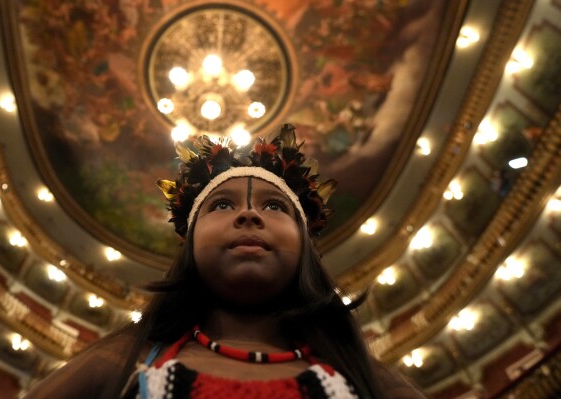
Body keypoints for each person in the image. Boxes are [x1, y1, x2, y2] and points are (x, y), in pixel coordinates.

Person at [25, 124, 426, 398]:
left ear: (306, 247)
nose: (248, 215)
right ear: (190, 244)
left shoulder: (364, 377)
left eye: (274, 206)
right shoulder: (121, 361)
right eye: (221, 204)